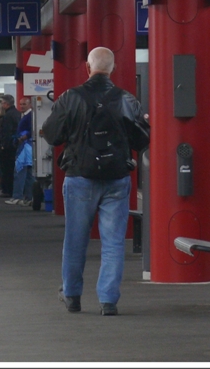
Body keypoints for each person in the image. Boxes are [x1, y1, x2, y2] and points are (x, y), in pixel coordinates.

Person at [41, 47, 148, 317]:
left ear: (87, 68)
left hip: (79, 177)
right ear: (112, 68)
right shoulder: (126, 99)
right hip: (116, 179)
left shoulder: (70, 98)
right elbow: (141, 141)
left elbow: (52, 135)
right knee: (113, 242)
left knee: (75, 240)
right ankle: (108, 300)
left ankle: (73, 295)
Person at [0, 94, 20, 197]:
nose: (1, 105)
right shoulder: (17, 114)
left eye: (2, 103)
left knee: (6, 169)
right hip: (16, 145)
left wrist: (3, 145)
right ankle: (12, 190)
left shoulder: (8, 116)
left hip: (8, 147)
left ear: (6, 104)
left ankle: (7, 190)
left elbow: (6, 132)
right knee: (12, 169)